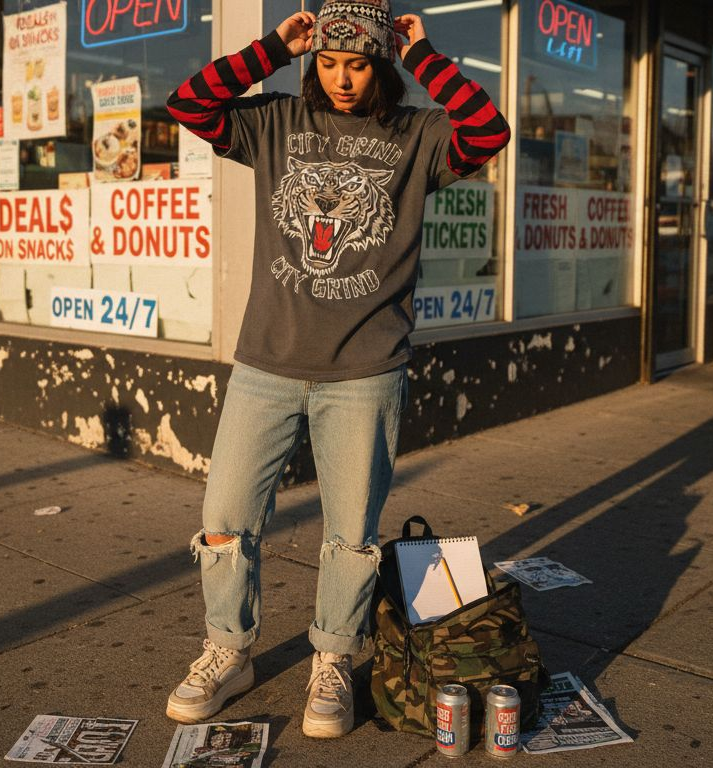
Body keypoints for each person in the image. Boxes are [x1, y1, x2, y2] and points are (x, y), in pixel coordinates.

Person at [165, 0, 509, 739]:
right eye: (328, 62)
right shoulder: (276, 123)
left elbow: (490, 131)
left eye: (357, 64)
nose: (342, 79)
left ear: (380, 64)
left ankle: (331, 660)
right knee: (224, 523)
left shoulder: (418, 135)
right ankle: (228, 649)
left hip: (365, 371)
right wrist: (269, 49)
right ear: (311, 61)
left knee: (350, 536)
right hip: (265, 363)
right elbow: (189, 103)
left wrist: (425, 58)